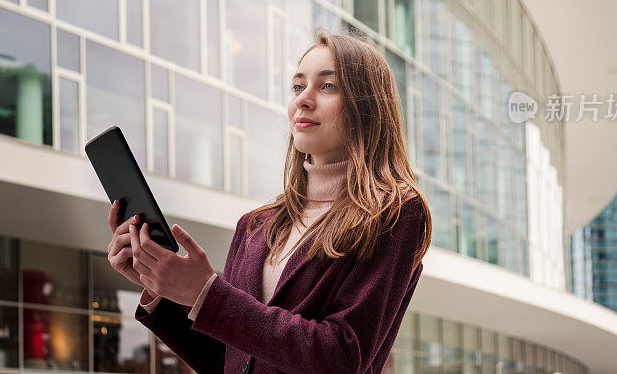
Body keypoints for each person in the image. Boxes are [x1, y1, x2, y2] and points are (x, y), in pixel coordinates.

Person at [106, 29, 432, 373]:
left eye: (327, 86)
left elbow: (342, 355)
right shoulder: (255, 225)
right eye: (297, 86)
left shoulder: (395, 212)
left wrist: (207, 293)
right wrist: (162, 285)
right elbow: (229, 361)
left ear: (367, 105)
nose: (303, 100)